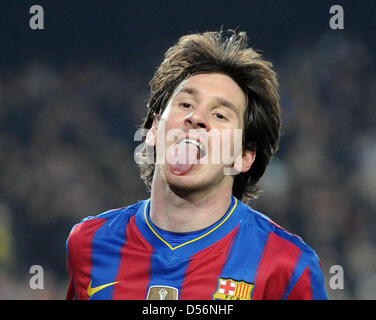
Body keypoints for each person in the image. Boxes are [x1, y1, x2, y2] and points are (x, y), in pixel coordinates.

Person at [65, 30, 328, 300]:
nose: (196, 117)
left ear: (244, 156)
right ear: (154, 129)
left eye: (220, 114)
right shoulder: (89, 243)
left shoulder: (287, 266)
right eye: (186, 103)